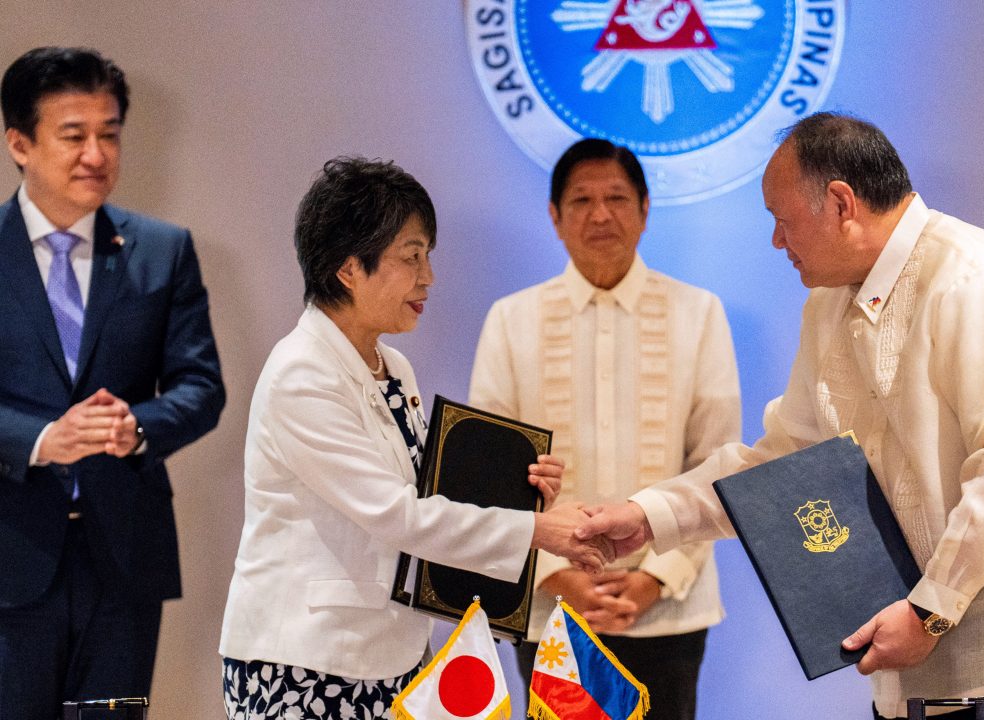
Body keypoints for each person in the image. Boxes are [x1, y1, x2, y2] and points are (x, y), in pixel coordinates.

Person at [576, 112, 984, 719]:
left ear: (842, 202)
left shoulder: (973, 278)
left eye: (782, 219)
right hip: (920, 637)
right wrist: (649, 515)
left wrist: (931, 609)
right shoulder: (827, 304)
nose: (776, 241)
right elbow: (783, 463)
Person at [219, 156, 610, 720]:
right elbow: (398, 515)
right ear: (349, 268)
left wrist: (522, 490)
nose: (428, 277)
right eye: (411, 257)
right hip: (304, 662)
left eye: (427, 256)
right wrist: (536, 531)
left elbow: (431, 489)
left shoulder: (393, 366)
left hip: (390, 653)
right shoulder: (301, 373)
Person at [469, 138, 741, 719]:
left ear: (645, 209)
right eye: (582, 200)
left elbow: (717, 463)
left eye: (617, 198)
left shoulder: (699, 313)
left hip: (669, 606)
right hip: (553, 609)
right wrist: (556, 572)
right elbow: (487, 474)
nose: (600, 215)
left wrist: (656, 578)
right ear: (554, 216)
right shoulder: (511, 321)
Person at [0, 47, 225, 717]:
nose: (96, 154)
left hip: (124, 560)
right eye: (74, 135)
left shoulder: (163, 250)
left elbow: (200, 385)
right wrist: (43, 438)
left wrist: (136, 429)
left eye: (110, 133)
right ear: (20, 142)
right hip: (11, 558)